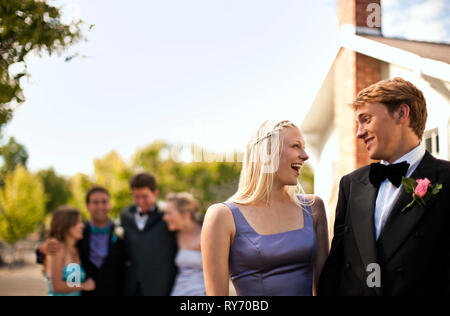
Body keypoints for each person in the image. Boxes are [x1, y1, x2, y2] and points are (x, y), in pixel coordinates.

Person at [318, 77, 450, 296]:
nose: (359, 132)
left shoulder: (446, 179)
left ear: (401, 114)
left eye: (366, 119)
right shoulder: (350, 185)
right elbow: (337, 267)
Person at [201, 120, 329, 296]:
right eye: (296, 146)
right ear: (266, 153)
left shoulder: (313, 208)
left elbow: (325, 288)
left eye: (304, 147)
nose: (305, 155)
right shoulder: (221, 216)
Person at [39, 186, 126, 296]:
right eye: (95, 202)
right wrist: (42, 249)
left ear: (110, 204)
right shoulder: (77, 236)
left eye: (104, 202)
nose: (100, 206)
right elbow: (45, 258)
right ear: (87, 206)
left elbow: (72, 282)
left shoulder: (123, 232)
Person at [120, 173, 178, 296]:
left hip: (160, 286)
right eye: (136, 197)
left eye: (145, 196)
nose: (140, 201)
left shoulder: (166, 216)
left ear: (155, 193)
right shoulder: (125, 215)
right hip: (131, 286)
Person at [45, 206, 95, 296]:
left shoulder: (76, 250)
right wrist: (84, 286)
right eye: (78, 222)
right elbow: (56, 286)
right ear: (66, 224)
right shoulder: (57, 248)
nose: (82, 226)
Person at [163, 192, 206, 296]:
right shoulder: (175, 236)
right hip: (178, 292)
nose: (165, 217)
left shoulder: (207, 235)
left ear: (185, 214)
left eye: (169, 213)